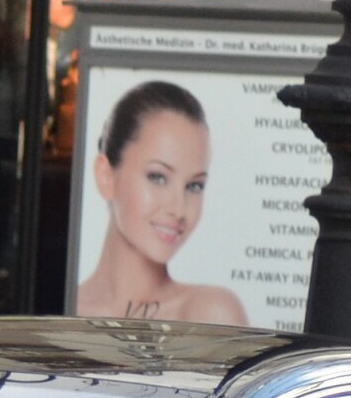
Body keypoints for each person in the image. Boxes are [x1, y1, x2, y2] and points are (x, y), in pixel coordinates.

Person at [74, 80, 248, 325]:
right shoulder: (59, 308)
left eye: (194, 186)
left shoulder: (211, 312)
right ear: (106, 176)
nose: (178, 209)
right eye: (157, 177)